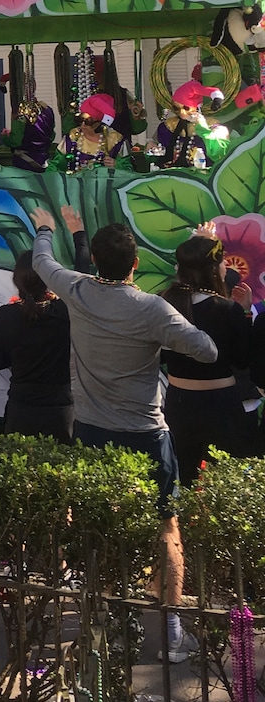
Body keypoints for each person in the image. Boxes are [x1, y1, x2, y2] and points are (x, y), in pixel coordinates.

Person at [30, 208, 218, 661]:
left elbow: (41, 261)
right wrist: (163, 338)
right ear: (135, 265)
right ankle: (172, 629)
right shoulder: (152, 309)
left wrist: (45, 227)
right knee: (165, 528)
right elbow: (207, 351)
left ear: (94, 260)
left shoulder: (76, 290)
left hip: (94, 434)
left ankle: (117, 622)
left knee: (101, 526)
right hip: (146, 435)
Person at [0, 205, 90, 440]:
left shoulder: (6, 315)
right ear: (49, 279)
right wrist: (79, 235)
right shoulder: (65, 312)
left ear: (16, 280)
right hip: (61, 410)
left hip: (21, 409)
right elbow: (82, 280)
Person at [160, 232, 255, 483]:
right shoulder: (226, 309)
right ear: (214, 269)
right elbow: (243, 359)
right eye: (223, 262)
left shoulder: (166, 303)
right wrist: (245, 314)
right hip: (220, 404)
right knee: (227, 482)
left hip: (179, 403)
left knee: (182, 479)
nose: (227, 267)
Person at [157, 80, 230, 168]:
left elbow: (219, 153)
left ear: (197, 106)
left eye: (186, 108)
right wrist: (151, 145)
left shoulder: (214, 125)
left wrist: (203, 127)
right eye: (176, 108)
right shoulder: (170, 125)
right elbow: (161, 150)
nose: (182, 113)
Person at [62, 92, 124, 169]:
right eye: (80, 119)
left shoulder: (115, 140)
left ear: (100, 124)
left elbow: (129, 169)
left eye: (88, 121)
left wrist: (117, 165)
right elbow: (55, 165)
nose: (83, 125)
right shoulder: (73, 137)